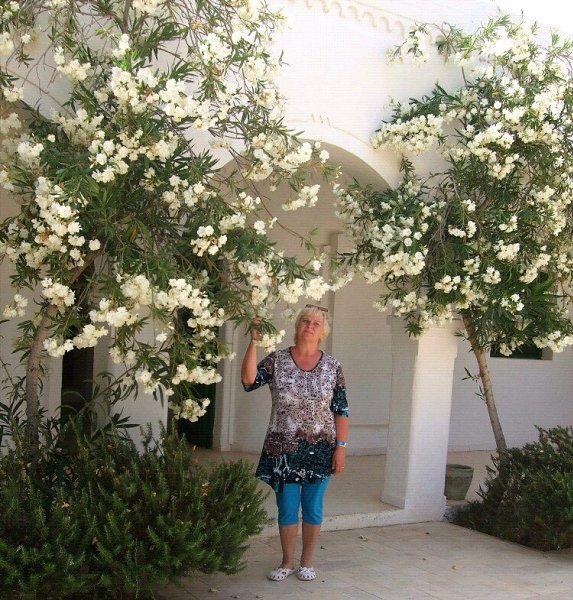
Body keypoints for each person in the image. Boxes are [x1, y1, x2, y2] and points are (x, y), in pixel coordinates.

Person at [241, 305, 349, 582]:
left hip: (321, 448)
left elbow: (341, 410)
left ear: (323, 332)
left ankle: (306, 563)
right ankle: (287, 562)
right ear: (297, 325)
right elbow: (249, 380)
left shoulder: (333, 366)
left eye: (316, 323)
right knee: (287, 507)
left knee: (312, 506)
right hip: (283, 449)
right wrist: (254, 342)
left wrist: (341, 447)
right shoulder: (277, 360)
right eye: (305, 320)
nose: (310, 326)